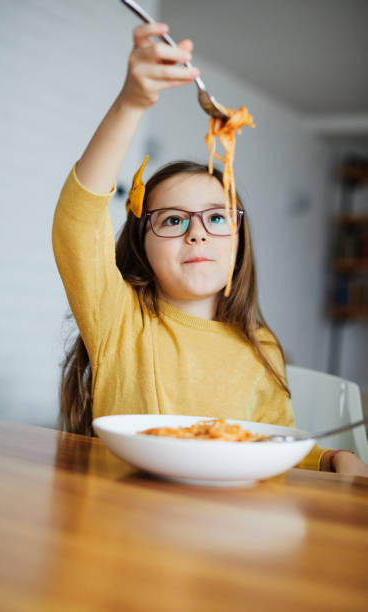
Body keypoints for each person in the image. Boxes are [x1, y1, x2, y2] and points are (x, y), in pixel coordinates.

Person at [52, 22, 368, 477]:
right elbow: (76, 223)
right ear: (142, 245)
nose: (196, 233)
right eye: (173, 219)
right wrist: (132, 103)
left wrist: (335, 458)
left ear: (239, 242)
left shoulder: (262, 348)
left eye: (217, 217)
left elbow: (275, 446)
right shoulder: (118, 320)